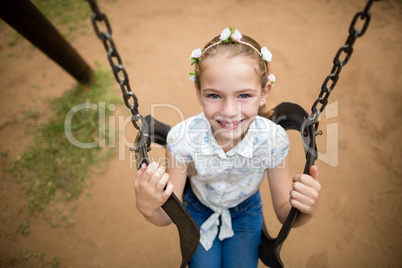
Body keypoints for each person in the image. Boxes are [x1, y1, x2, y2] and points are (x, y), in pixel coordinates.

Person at [134, 27, 321, 268]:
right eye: (214, 96)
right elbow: (167, 217)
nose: (230, 111)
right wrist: (148, 207)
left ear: (265, 93)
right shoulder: (182, 139)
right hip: (198, 209)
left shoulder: (272, 140)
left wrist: (305, 209)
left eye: (244, 95)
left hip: (246, 210)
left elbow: (285, 212)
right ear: (199, 93)